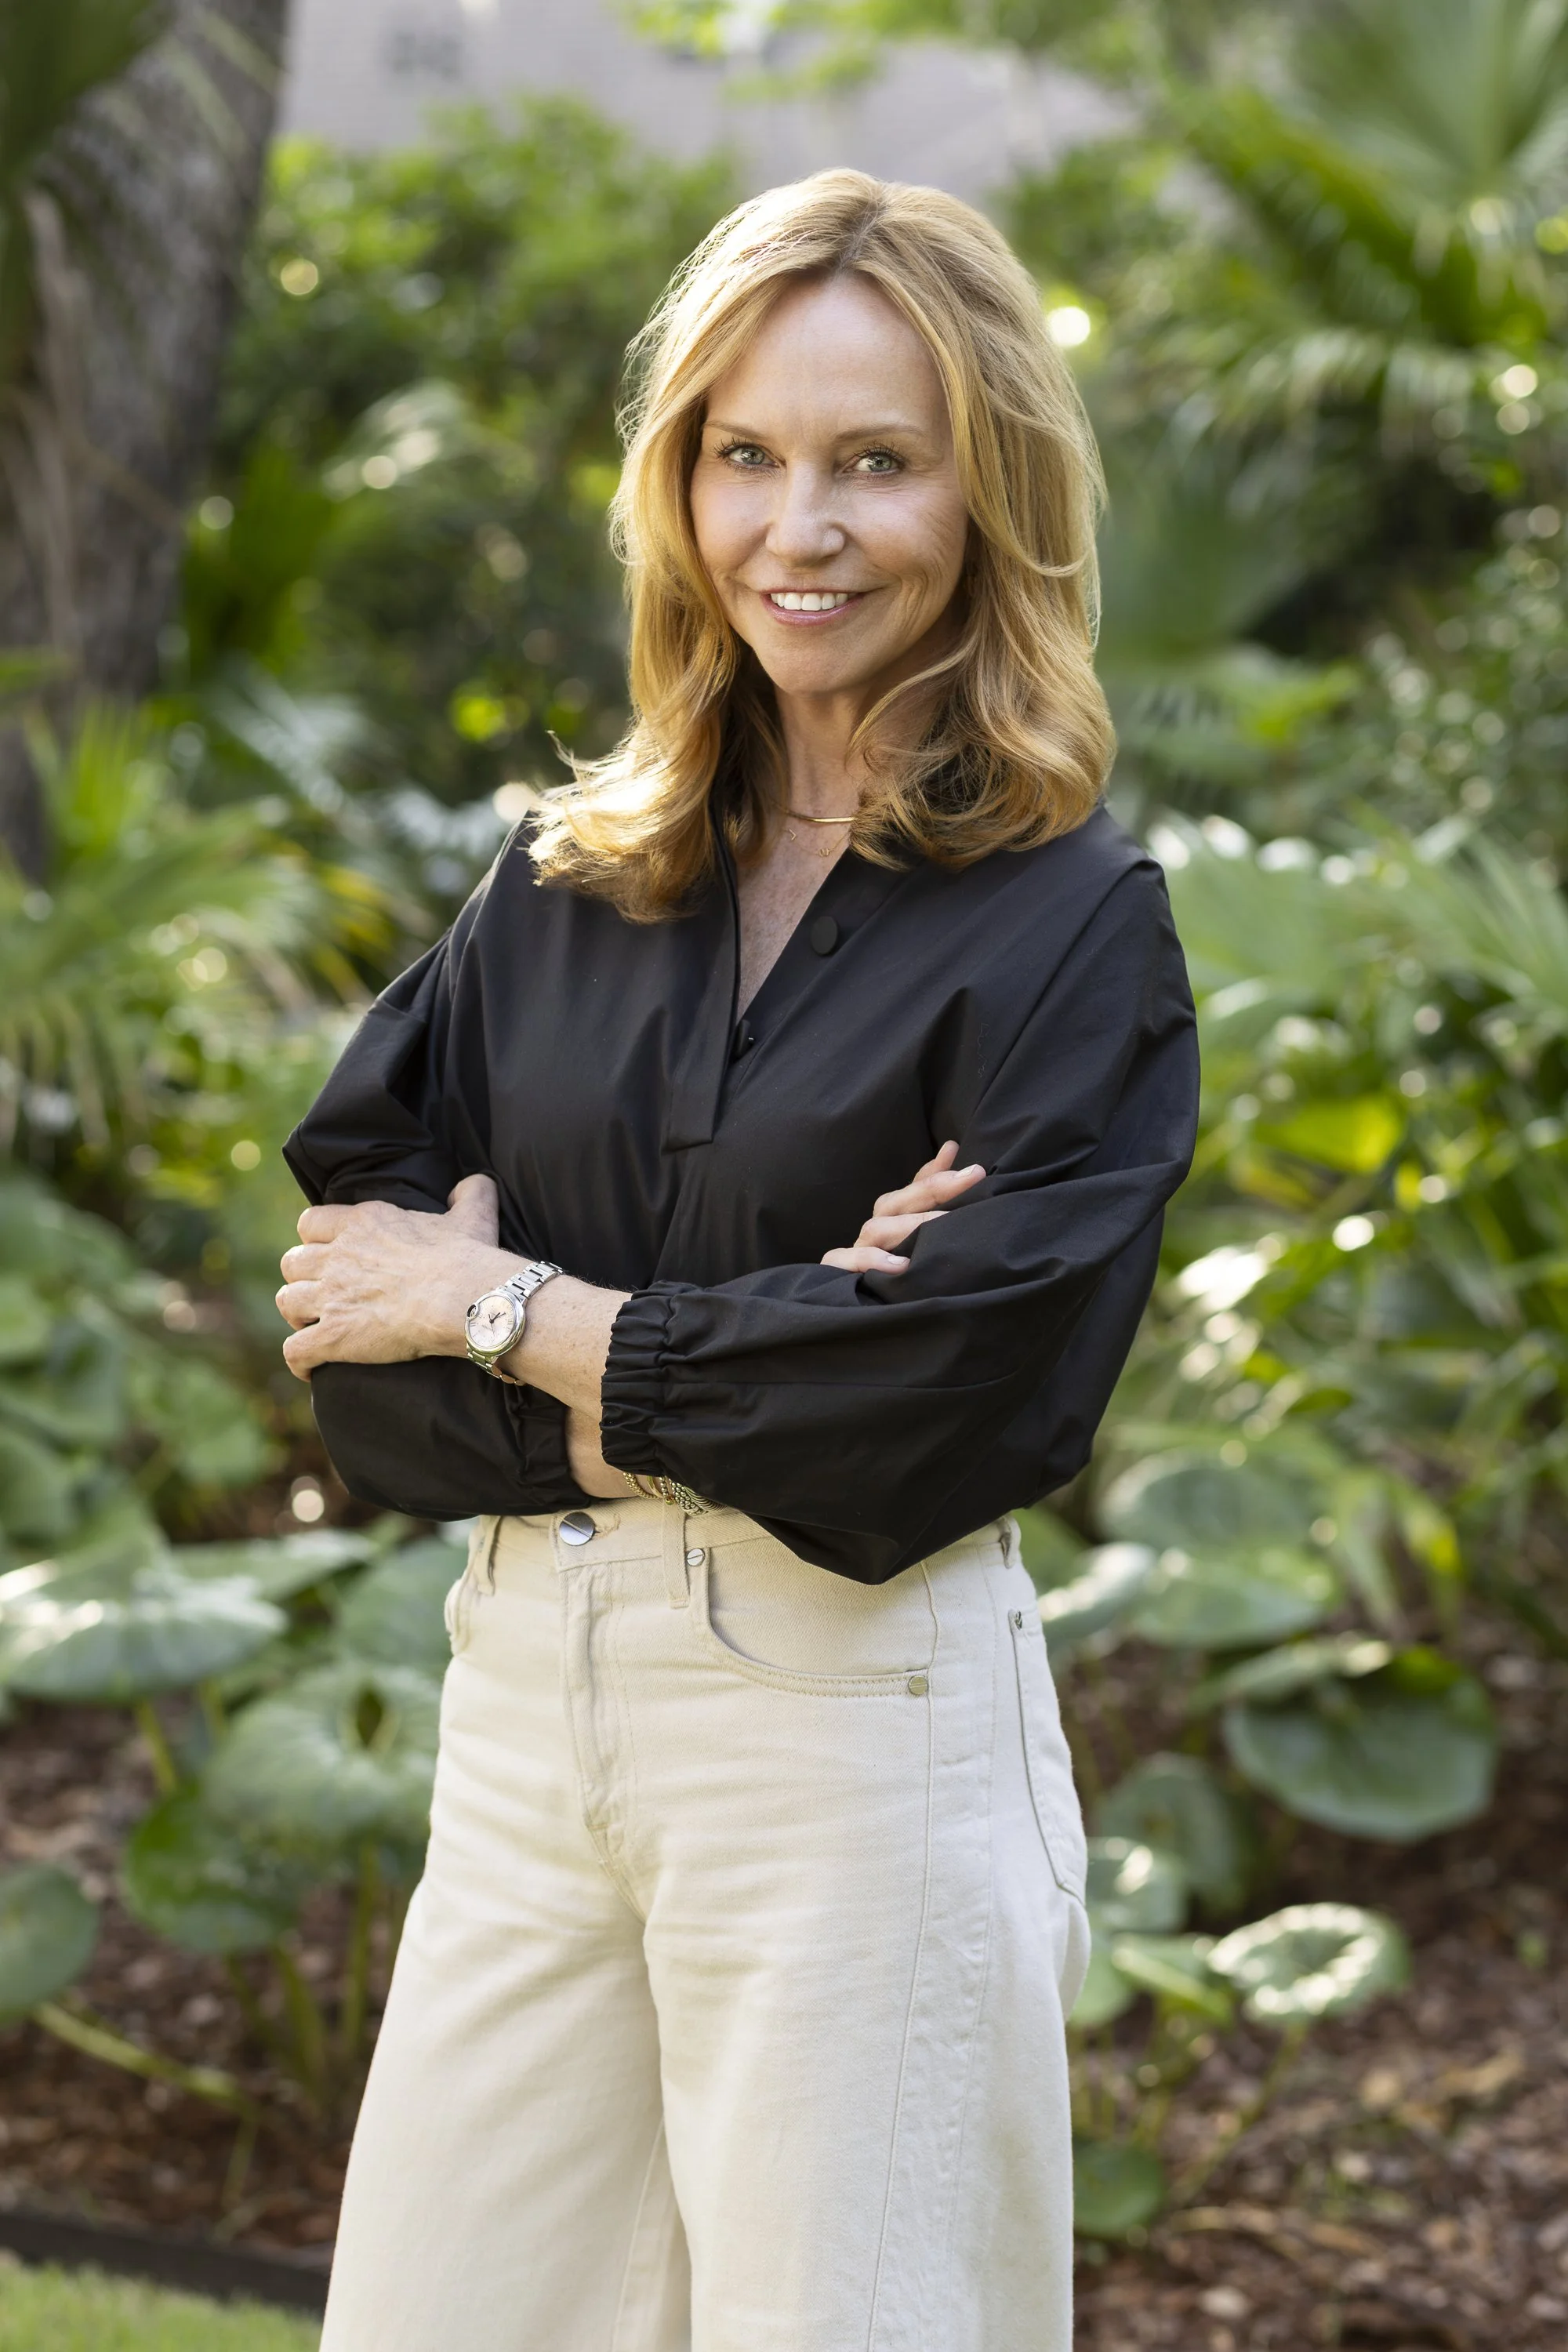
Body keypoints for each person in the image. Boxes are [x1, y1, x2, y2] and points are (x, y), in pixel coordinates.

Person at [277, 169, 1197, 2352]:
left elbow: (946, 1406)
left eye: (876, 462)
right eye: (744, 452)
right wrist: (756, 1347)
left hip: (845, 1745)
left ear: (990, 492)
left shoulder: (1070, 925)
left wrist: (515, 1310)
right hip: (526, 1729)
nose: (799, 526)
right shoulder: (565, 888)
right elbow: (348, 1320)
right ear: (675, 476)